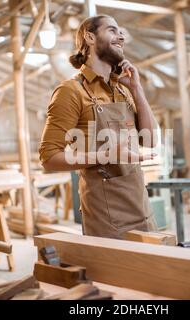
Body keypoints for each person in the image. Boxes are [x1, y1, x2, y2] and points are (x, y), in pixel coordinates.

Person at [39, 14, 158, 239]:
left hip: (142, 212)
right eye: (112, 30)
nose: (121, 36)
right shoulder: (71, 92)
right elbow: (48, 157)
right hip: (106, 221)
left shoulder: (123, 90)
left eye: (121, 32)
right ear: (90, 38)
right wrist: (107, 155)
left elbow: (151, 141)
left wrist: (137, 89)